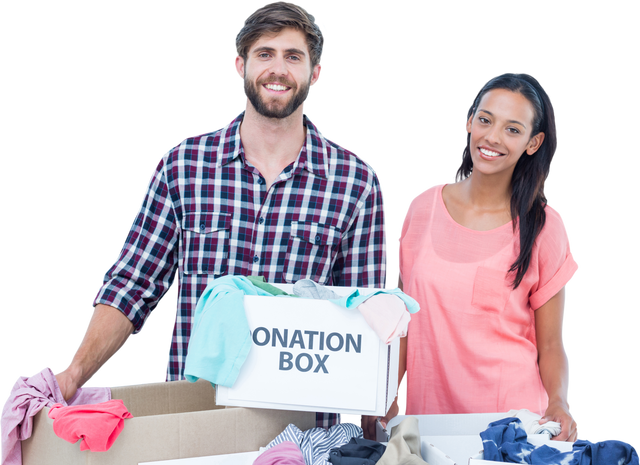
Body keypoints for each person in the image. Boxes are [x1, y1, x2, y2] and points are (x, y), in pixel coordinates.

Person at [54, 0, 388, 430]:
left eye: (293, 57)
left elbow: (368, 318)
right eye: (264, 54)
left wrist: (375, 433)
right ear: (239, 65)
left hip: (302, 429)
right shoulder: (183, 165)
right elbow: (132, 284)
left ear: (315, 74)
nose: (278, 69)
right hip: (195, 420)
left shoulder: (355, 182)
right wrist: (72, 376)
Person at [362, 70, 580, 442]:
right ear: (469, 121)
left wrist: (559, 402)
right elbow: (401, 321)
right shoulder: (422, 207)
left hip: (510, 428)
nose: (492, 138)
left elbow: (550, 344)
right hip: (427, 424)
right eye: (485, 120)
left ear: (533, 142)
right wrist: (383, 397)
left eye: (513, 129)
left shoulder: (545, 226)